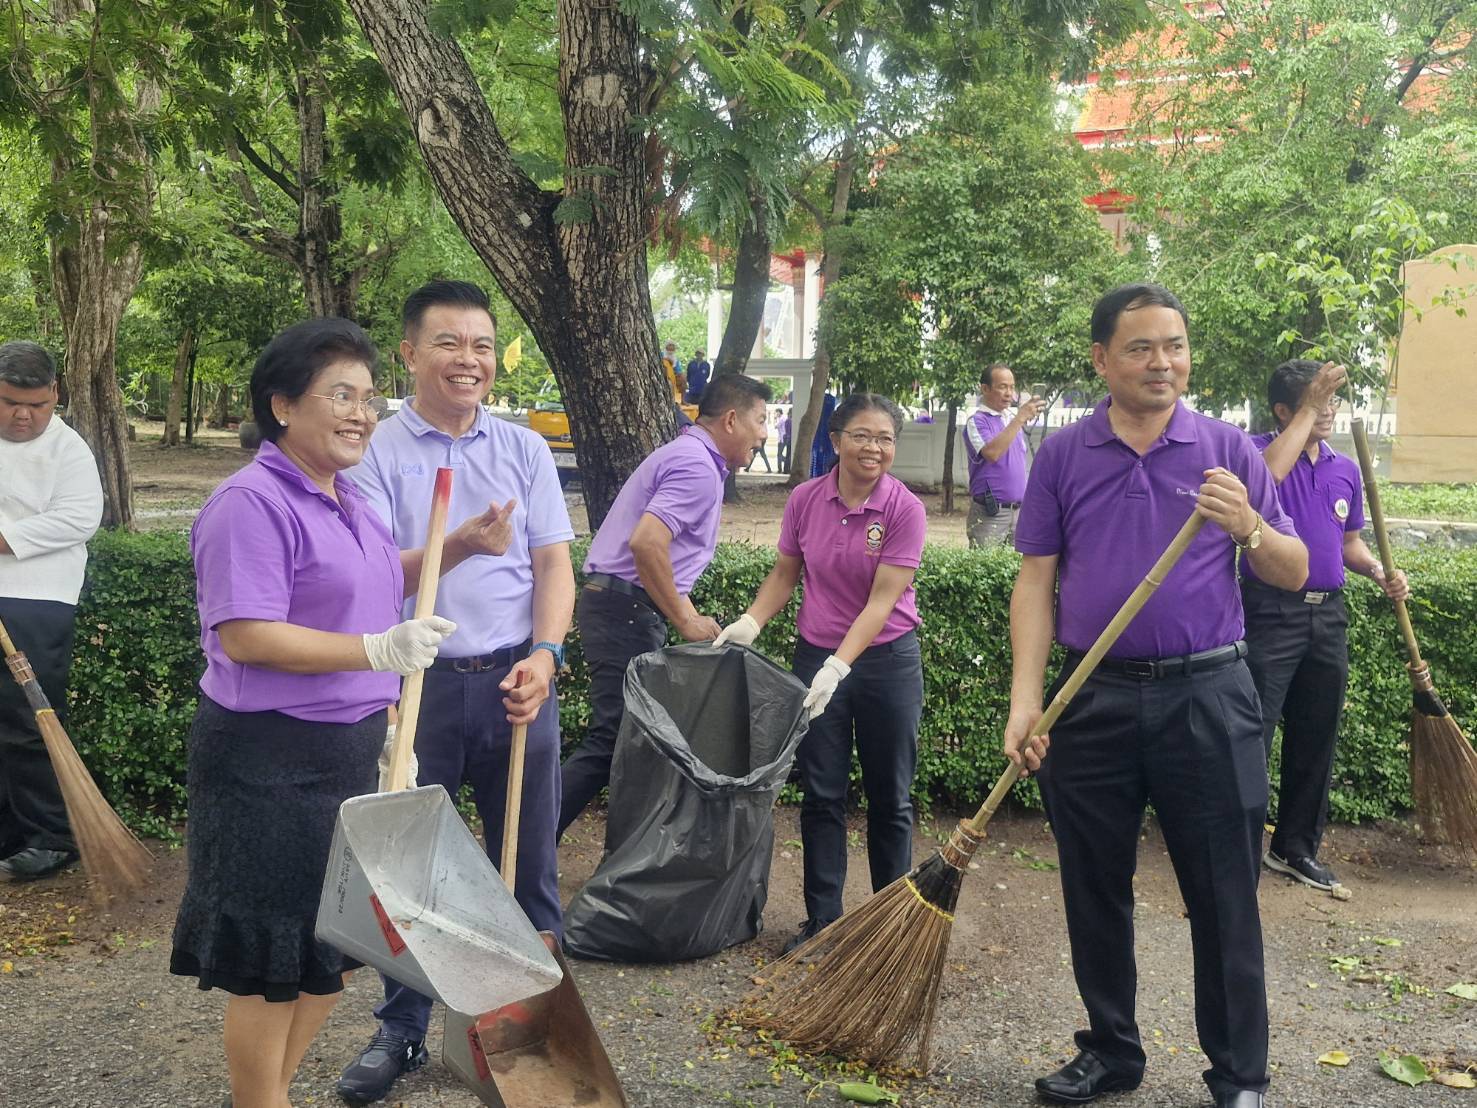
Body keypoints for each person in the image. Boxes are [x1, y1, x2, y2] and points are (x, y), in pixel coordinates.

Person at [169, 318, 513, 1108]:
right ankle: (264, 1100)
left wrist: (455, 548)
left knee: (331, 954)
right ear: (283, 405)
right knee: (271, 969)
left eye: (368, 397)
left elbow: (373, 577)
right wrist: (375, 653)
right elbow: (247, 633)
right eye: (341, 396)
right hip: (265, 762)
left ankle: (268, 1095)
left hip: (346, 756)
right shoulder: (249, 502)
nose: (361, 413)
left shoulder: (346, 496)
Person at [1004, 284, 1308, 1108]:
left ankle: (1237, 1073)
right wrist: (1024, 699)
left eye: (1173, 345)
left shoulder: (1225, 451)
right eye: (1139, 348)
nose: (1161, 362)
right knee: (1092, 885)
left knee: (1222, 893)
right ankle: (1109, 1052)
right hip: (1090, 696)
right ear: (1101, 359)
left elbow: (1293, 569)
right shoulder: (1064, 454)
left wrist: (1246, 523)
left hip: (1207, 697)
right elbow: (1035, 581)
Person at [337, 281, 576, 1103]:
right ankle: (402, 1029)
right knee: (409, 873)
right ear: (409, 353)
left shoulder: (524, 449)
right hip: (416, 684)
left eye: (480, 344)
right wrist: (466, 547)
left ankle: (529, 1032)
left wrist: (545, 656)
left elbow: (552, 563)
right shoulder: (374, 451)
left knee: (531, 858)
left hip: (514, 678)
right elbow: (367, 575)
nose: (467, 360)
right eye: (448, 343)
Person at [714, 394, 926, 953]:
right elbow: (786, 574)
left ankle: (888, 927)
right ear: (836, 440)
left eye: (884, 438)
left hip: (887, 662)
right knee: (823, 793)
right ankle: (822, 920)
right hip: (816, 658)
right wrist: (751, 623)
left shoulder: (905, 509)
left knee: (891, 797)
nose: (874, 448)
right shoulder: (807, 499)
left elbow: (884, 602)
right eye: (862, 435)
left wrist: (841, 664)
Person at [558, 373, 771, 839]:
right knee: (614, 737)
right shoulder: (697, 465)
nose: (765, 434)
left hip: (622, 606)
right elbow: (646, 544)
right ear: (732, 420)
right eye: (761, 420)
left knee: (629, 741)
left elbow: (659, 558)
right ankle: (528, 844)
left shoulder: (692, 457)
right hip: (624, 611)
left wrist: (689, 613)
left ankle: (601, 853)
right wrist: (684, 618)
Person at [1243, 359, 1408, 895]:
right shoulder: (1259, 453)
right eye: (1316, 404)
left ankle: (1294, 848)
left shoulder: (1344, 468)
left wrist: (1379, 570)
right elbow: (1263, 477)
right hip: (1269, 610)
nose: (1328, 413)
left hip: (1328, 614)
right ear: (1284, 411)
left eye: (1331, 403)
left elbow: (1348, 543)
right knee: (1255, 731)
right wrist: (1304, 417)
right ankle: (1236, 850)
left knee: (1317, 735)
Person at [0, 341, 102, 881]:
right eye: (11, 402)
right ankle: (7, 834)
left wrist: (4, 539)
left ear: (55, 395)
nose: (23, 415)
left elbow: (79, 519)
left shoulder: (70, 451)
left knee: (26, 720)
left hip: (38, 599)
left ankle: (51, 835)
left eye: (36, 404)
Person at [963, 363, 1044, 547]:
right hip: (990, 513)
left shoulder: (1009, 420)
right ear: (985, 389)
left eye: (1012, 387)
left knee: (1014, 572)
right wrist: (1019, 418)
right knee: (985, 572)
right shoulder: (977, 421)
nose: (1009, 393)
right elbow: (992, 453)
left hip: (1019, 513)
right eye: (1002, 387)